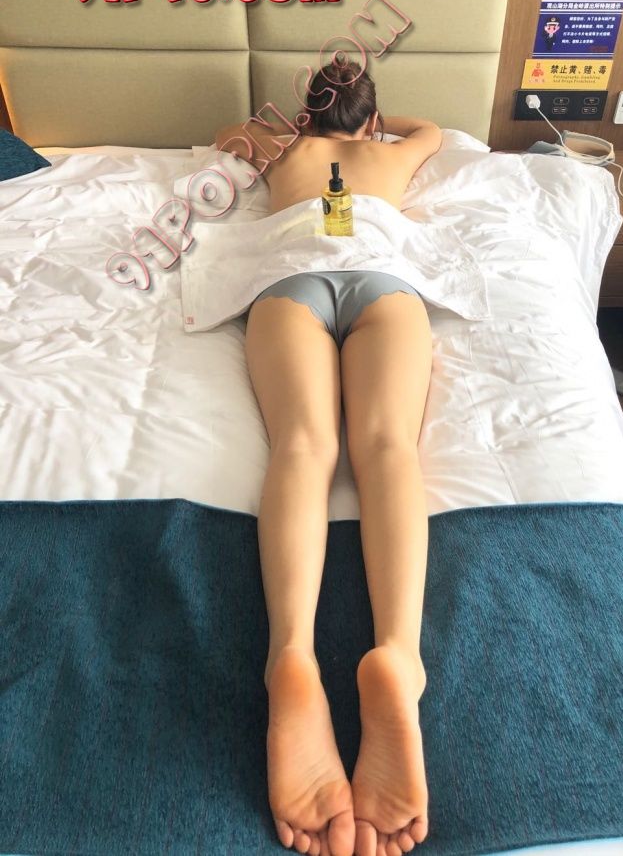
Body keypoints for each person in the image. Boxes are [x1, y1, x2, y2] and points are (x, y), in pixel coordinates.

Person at [215, 56, 442, 856]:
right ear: (371, 121)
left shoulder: (280, 148)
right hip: (381, 281)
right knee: (387, 448)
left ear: (307, 115)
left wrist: (296, 127)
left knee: (303, 446)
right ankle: (399, 659)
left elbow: (230, 137)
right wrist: (378, 127)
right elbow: (433, 131)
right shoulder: (393, 153)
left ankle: (291, 653)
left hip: (293, 283)